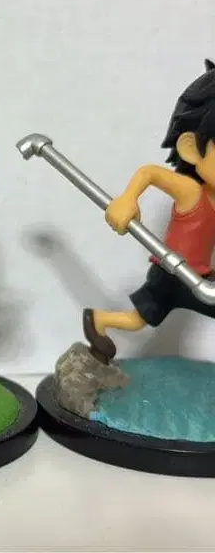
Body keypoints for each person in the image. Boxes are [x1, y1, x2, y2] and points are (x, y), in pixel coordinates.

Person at [83, 60, 215, 364]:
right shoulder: (191, 192)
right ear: (192, 148)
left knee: (141, 318)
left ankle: (99, 319)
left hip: (197, 275)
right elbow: (150, 172)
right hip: (172, 273)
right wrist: (128, 200)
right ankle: (99, 320)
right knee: (139, 319)